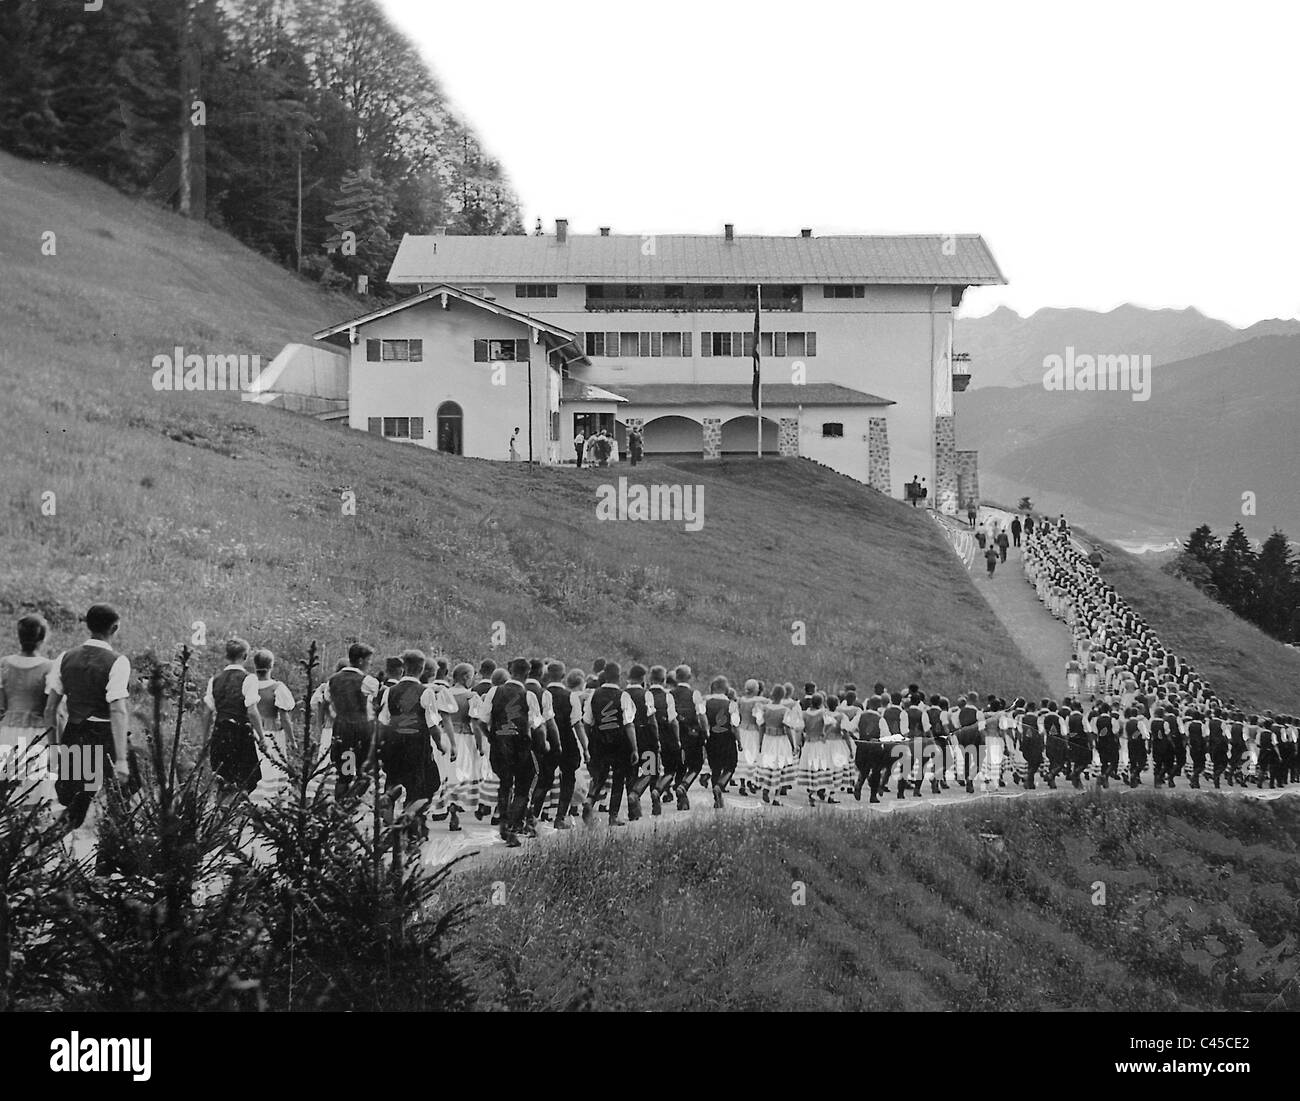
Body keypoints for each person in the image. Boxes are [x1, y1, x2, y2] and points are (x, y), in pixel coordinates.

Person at [43, 605, 133, 869]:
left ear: (87, 625)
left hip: (75, 734)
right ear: (114, 628)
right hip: (103, 736)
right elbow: (117, 709)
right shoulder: (118, 661)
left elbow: (51, 710)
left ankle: (31, 855)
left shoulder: (64, 657)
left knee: (76, 808)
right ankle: (107, 868)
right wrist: (121, 759)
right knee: (120, 800)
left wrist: (54, 748)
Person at [474, 657, 542, 845]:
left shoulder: (494, 691)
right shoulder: (529, 696)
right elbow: (536, 725)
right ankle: (512, 826)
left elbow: (481, 721)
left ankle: (503, 820)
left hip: (499, 745)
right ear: (527, 674)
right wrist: (541, 746)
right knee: (523, 785)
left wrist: (491, 737)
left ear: (510, 671)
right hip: (521, 746)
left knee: (505, 783)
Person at [1, 614, 54, 808]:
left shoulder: (3, 664)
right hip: (36, 734)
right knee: (33, 793)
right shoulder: (49, 667)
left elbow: (2, 704)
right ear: (43, 638)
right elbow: (50, 709)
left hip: (7, 731)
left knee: (6, 793)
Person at [201, 638, 264, 796]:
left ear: (227, 656)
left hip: (220, 733)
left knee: (223, 780)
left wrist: (205, 740)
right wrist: (261, 737)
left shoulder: (214, 680)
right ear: (245, 656)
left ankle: (221, 814)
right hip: (240, 735)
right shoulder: (249, 679)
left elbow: (207, 712)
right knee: (245, 781)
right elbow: (251, 711)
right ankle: (238, 817)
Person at [581, 661, 637, 827]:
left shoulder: (594, 695)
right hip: (620, 742)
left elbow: (587, 722)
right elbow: (629, 724)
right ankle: (613, 817)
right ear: (619, 677)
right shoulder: (624, 696)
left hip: (599, 740)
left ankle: (590, 800)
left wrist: (589, 741)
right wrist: (634, 748)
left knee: (600, 775)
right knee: (618, 778)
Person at [322, 643, 380, 800]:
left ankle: (340, 810)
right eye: (369, 660)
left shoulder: (333, 680)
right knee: (365, 773)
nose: (370, 664)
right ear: (361, 661)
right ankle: (348, 804)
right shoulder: (368, 681)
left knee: (344, 774)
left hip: (342, 731)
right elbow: (374, 703)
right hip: (362, 731)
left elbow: (325, 703)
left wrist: (336, 717)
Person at [249, 649, 296, 798]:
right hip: (273, 733)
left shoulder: (250, 686)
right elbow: (284, 718)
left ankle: (259, 801)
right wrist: (292, 740)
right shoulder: (277, 687)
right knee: (274, 767)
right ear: (271, 666)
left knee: (261, 767)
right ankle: (272, 802)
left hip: (254, 732)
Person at [701, 676, 743, 808]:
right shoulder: (732, 705)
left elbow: (701, 719)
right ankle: (720, 785)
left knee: (715, 767)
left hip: (711, 738)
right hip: (727, 738)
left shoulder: (705, 702)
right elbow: (735, 725)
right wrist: (739, 741)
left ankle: (716, 798)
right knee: (731, 765)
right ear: (726, 689)